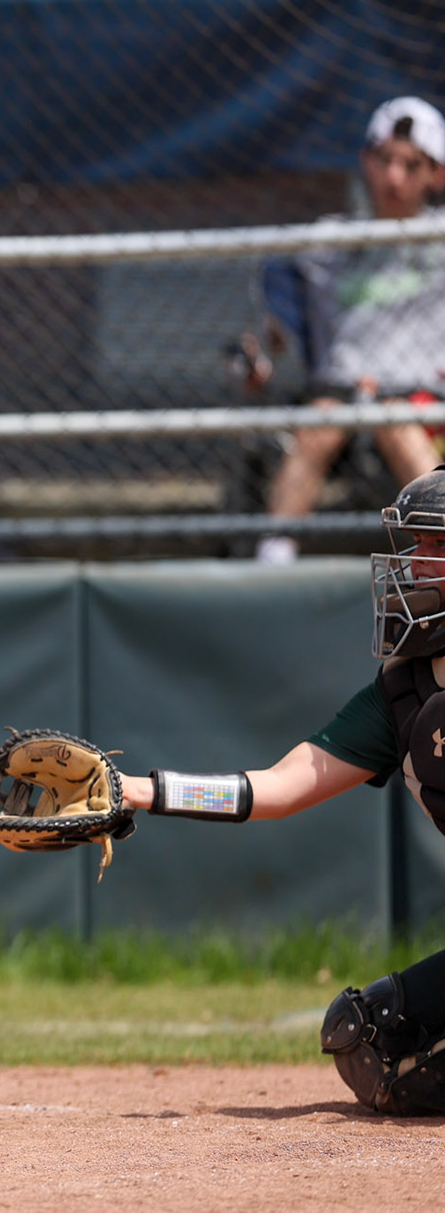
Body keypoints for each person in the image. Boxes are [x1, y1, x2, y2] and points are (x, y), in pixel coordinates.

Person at [112, 465, 445, 1114]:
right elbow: (278, 790)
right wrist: (141, 792)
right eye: (416, 545)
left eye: (437, 547)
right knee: (369, 1034)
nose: (414, 563)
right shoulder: (404, 691)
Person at [258, 96, 445, 565]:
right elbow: (274, 330)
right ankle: (272, 563)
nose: (394, 178)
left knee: (395, 420)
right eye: (384, 160)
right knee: (319, 424)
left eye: (411, 165)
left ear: (435, 174)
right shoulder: (327, 242)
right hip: (338, 393)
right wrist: (260, 351)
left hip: (421, 400)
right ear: (366, 161)